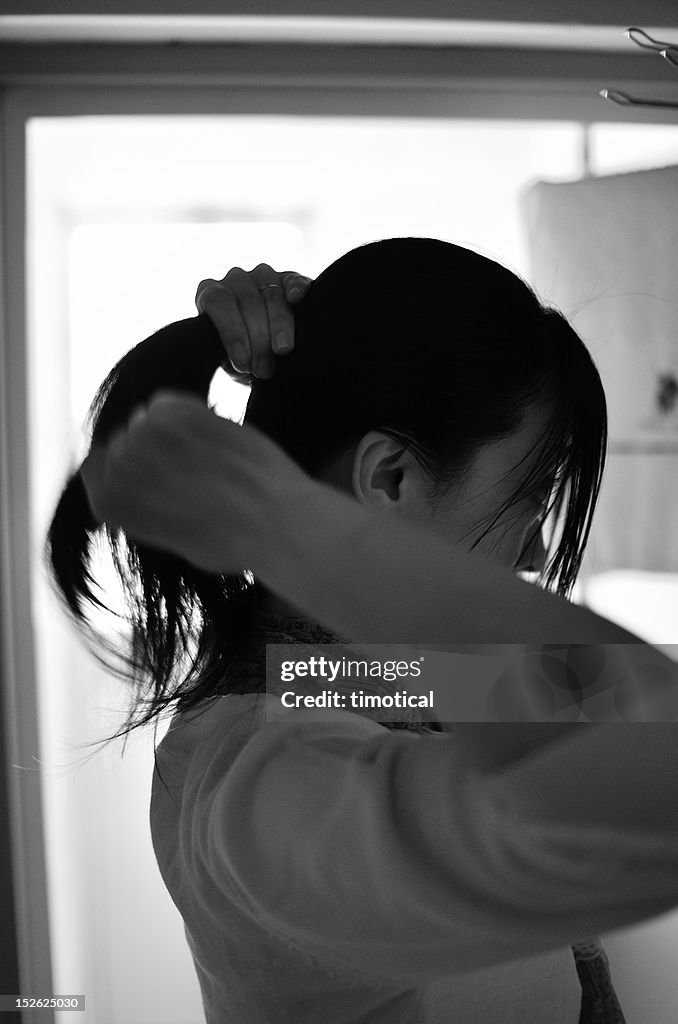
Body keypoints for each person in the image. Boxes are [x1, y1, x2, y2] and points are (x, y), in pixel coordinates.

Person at [48, 238, 678, 1024]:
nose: (538, 547)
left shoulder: (342, 678)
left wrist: (330, 383)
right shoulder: (270, 787)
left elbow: (574, 703)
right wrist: (292, 525)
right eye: (534, 495)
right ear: (390, 479)